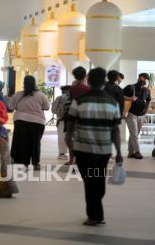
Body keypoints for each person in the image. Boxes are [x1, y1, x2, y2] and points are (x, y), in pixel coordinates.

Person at [66, 67, 123, 226]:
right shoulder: (112, 102)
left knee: (91, 182)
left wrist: (69, 139)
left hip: (83, 150)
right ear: (104, 82)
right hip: (103, 151)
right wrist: (118, 152)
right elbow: (115, 129)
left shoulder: (80, 100)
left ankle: (94, 215)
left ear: (89, 81)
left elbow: (70, 123)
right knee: (96, 180)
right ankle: (96, 214)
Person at [9, 76, 50, 170]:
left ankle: (25, 163)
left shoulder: (17, 94)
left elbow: (10, 107)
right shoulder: (41, 95)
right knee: (35, 142)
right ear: (34, 83)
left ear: (24, 83)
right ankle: (36, 163)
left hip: (20, 121)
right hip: (38, 122)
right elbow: (47, 107)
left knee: (23, 143)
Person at [124, 73, 151, 159]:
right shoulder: (130, 87)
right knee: (134, 134)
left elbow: (148, 101)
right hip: (131, 114)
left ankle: (130, 152)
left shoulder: (147, 90)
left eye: (145, 79)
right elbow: (120, 95)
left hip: (141, 115)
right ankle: (137, 152)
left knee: (134, 134)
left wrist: (146, 112)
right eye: (142, 78)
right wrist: (130, 98)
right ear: (139, 78)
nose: (143, 80)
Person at [52, 85, 71, 160]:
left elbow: (53, 110)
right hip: (70, 119)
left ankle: (62, 153)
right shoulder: (73, 98)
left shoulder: (59, 98)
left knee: (61, 136)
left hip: (61, 119)